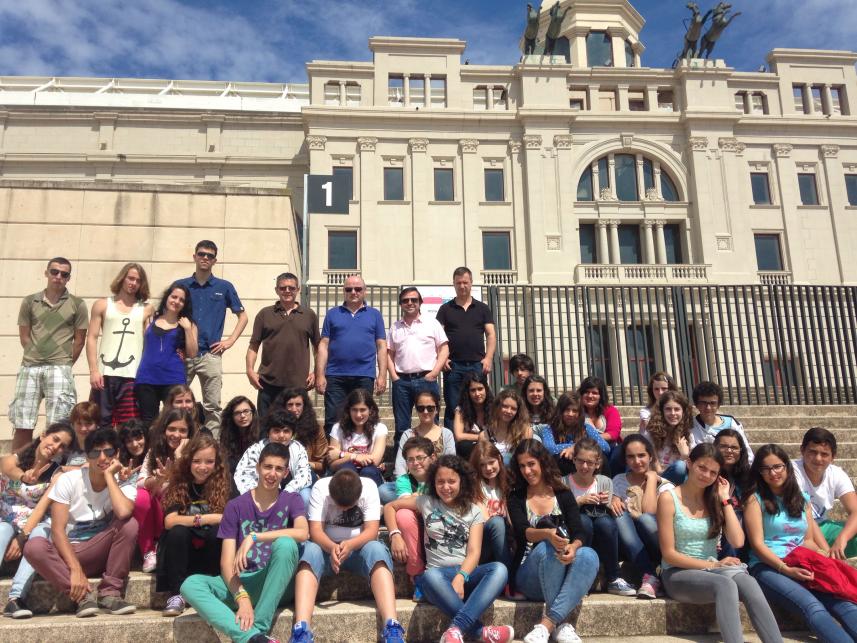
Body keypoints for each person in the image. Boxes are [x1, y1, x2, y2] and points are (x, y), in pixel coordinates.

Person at [181, 442, 307, 643]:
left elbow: (302, 533)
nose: (272, 473)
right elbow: (226, 563)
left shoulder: (292, 500)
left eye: (279, 469)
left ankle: (259, 627)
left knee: (286, 544)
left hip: (272, 583)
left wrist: (255, 536)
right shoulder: (236, 505)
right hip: (241, 583)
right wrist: (242, 598)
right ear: (258, 467)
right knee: (190, 584)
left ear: (286, 473)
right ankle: (253, 638)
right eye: (267, 467)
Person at [657, 443, 781, 643]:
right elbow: (669, 554)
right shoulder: (668, 498)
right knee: (725, 585)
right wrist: (714, 564)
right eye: (702, 468)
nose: (706, 475)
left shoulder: (714, 499)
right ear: (689, 463)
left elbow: (738, 540)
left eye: (713, 472)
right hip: (677, 573)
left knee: (748, 582)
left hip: (712, 568)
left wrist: (725, 500)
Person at [384, 455, 512, 643]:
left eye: (451, 481)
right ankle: (479, 632)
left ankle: (455, 630)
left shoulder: (474, 510)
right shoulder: (426, 501)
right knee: (429, 576)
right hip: (437, 580)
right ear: (433, 483)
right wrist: (395, 535)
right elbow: (390, 506)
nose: (446, 487)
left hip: (466, 574)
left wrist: (461, 577)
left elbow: (474, 552)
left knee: (500, 570)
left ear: (462, 481)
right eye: (440, 482)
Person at [745, 443, 857, 643]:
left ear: (787, 467)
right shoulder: (755, 500)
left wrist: (824, 557)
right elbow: (757, 545)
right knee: (813, 607)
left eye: (777, 466)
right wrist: (786, 569)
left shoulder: (801, 498)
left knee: (842, 602)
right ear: (759, 472)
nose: (773, 473)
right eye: (766, 468)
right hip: (769, 565)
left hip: (802, 560)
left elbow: (807, 540)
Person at [25, 428, 139, 617]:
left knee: (129, 524)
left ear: (117, 454)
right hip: (69, 552)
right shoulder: (69, 480)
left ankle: (109, 593)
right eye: (95, 453)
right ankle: (82, 597)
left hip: (99, 550)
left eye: (108, 452)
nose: (102, 458)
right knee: (34, 547)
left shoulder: (124, 481)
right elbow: (57, 531)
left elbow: (124, 512)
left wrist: (110, 476)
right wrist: (75, 569)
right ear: (87, 456)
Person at [291, 468, 405, 643]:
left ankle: (391, 625)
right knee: (310, 551)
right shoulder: (321, 488)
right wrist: (332, 548)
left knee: (377, 550)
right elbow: (315, 531)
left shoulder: (369, 487)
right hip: (325, 548)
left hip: (359, 548)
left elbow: (372, 531)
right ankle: (301, 629)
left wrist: (350, 545)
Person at [508, 439, 599, 643]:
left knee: (589, 554)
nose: (527, 471)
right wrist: (548, 534)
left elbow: (579, 532)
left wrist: (574, 547)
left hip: (562, 565)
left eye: (531, 464)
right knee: (549, 546)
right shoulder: (516, 496)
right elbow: (524, 532)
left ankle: (547, 625)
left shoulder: (563, 493)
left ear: (542, 462)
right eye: (522, 466)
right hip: (528, 574)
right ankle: (562, 622)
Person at [10, 257, 88, 450]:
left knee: (59, 425)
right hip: (30, 367)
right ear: (46, 273)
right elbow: (24, 337)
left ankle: (51, 472)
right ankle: (17, 472)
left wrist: (65, 363)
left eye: (64, 274)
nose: (58, 277)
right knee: (22, 422)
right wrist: (36, 355)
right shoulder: (30, 301)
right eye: (54, 272)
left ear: (68, 278)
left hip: (59, 368)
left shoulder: (77, 304)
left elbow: (79, 340)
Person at [0, 422, 74, 619]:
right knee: (2, 530)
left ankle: (15, 599)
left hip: (33, 524)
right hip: (6, 520)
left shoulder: (57, 474)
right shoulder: (13, 459)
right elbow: (7, 467)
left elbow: (41, 509)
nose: (56, 447)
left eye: (62, 446)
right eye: (55, 439)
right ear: (43, 435)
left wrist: (22, 538)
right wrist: (24, 476)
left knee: (41, 534)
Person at [178, 240, 248, 432]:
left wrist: (230, 341)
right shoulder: (181, 286)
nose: (205, 258)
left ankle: (212, 448)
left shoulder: (224, 286)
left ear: (215, 260)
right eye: (201, 254)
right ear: (194, 257)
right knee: (175, 405)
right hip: (182, 354)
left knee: (213, 408)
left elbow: (243, 316)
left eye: (209, 256)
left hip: (210, 355)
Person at [157, 434, 230, 617]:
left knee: (217, 532)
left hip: (211, 551)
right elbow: (169, 521)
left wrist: (214, 520)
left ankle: (212, 587)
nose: (203, 467)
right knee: (177, 531)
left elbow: (229, 518)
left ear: (216, 463)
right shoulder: (180, 482)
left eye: (209, 461)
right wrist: (205, 518)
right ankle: (177, 594)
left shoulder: (225, 483)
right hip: (182, 553)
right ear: (189, 461)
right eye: (197, 461)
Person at [315, 275, 387, 436]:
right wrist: (320, 375)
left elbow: (382, 346)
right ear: (343, 291)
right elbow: (323, 345)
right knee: (333, 420)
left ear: (365, 291)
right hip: (335, 376)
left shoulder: (375, 315)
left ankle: (362, 455)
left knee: (363, 419)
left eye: (358, 289)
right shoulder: (332, 314)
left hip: (364, 376)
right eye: (349, 289)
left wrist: (382, 376)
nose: (353, 292)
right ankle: (333, 457)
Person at [86, 262, 154, 427]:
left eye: (138, 281)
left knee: (129, 425)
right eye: (130, 278)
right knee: (100, 422)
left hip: (132, 375)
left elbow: (150, 341)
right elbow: (92, 338)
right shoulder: (102, 305)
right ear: (122, 278)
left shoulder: (146, 309)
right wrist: (94, 370)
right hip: (104, 374)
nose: (133, 283)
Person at [566, 438, 636, 596]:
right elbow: (559, 511)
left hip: (601, 530)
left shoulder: (605, 481)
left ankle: (614, 578)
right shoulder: (565, 482)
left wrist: (609, 503)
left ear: (597, 464)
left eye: (589, 462)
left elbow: (611, 510)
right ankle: (580, 575)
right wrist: (579, 501)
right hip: (577, 532)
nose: (585, 466)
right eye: (581, 461)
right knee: (583, 522)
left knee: (606, 523)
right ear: (574, 460)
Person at [246, 272, 320, 419]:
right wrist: (249, 370)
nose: (287, 291)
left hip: (298, 385)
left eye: (291, 288)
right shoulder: (264, 314)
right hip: (268, 384)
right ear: (276, 290)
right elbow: (254, 346)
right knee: (266, 428)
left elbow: (318, 348)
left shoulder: (309, 315)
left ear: (298, 290)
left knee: (298, 430)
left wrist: (316, 372)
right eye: (283, 288)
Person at [136, 408, 197, 573]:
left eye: (182, 430)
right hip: (158, 507)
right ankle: (149, 551)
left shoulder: (195, 453)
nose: (176, 434)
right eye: (172, 429)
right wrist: (159, 479)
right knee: (141, 497)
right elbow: (140, 482)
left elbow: (192, 485)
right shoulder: (155, 451)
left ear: (189, 433)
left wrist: (179, 457)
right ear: (164, 430)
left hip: (182, 509)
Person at [611, 434, 672, 599]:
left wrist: (651, 480)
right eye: (631, 457)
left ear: (650, 456)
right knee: (619, 515)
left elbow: (649, 512)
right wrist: (613, 500)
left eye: (641, 455)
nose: (637, 461)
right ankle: (650, 576)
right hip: (632, 542)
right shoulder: (619, 480)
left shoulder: (665, 485)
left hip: (658, 542)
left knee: (645, 519)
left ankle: (654, 574)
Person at [387, 286, 449, 446]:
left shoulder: (432, 323)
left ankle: (433, 464)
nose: (410, 303)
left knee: (431, 425)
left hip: (426, 380)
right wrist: (394, 377)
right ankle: (400, 466)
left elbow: (444, 349)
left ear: (420, 302)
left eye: (414, 300)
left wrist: (434, 373)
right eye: (405, 300)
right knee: (401, 427)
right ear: (401, 304)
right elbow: (389, 354)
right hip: (402, 383)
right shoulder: (395, 327)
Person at [436, 267, 496, 428]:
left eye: (465, 282)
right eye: (458, 283)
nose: (462, 286)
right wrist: (443, 358)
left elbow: (491, 334)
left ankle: (480, 441)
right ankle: (452, 447)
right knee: (453, 407)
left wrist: (488, 358)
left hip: (477, 365)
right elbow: (437, 337)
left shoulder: (482, 308)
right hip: (453, 366)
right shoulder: (445, 309)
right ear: (454, 285)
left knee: (479, 405)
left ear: (471, 283)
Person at [134, 282, 198, 425]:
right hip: (147, 378)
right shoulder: (150, 318)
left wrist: (187, 329)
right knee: (148, 422)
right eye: (174, 297)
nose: (176, 301)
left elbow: (193, 353)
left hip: (173, 379)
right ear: (167, 297)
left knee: (175, 420)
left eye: (181, 300)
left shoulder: (189, 324)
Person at [381, 389, 455, 503]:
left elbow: (450, 464)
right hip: (412, 483)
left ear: (436, 410)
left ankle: (415, 501)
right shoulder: (408, 434)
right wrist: (404, 492)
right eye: (421, 408)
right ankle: (417, 501)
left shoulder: (446, 434)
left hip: (437, 483)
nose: (425, 412)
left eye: (430, 408)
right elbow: (400, 465)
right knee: (383, 490)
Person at [793, 426, 857, 559]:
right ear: (802, 450)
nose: (818, 458)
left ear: (833, 457)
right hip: (798, 529)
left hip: (824, 527)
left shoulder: (836, 473)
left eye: (824, 454)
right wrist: (826, 550)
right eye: (812, 452)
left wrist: (842, 539)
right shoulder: (792, 471)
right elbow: (806, 518)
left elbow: (855, 510)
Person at [390, 436, 436, 600]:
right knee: (403, 514)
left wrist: (417, 497)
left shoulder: (440, 475)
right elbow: (403, 504)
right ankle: (418, 576)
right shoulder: (404, 480)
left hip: (440, 522)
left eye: (420, 458)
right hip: (416, 523)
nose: (415, 463)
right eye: (410, 460)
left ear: (432, 458)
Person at [234, 410, 312, 506]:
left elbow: (302, 476)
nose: (281, 436)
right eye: (276, 431)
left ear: (292, 434)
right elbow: (245, 476)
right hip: (261, 494)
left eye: (286, 431)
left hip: (291, 492)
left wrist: (284, 494)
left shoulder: (298, 449)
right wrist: (268, 495)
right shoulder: (256, 449)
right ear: (268, 432)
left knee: (306, 496)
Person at [327, 389, 388, 486]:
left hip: (370, 474)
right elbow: (332, 465)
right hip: (346, 477)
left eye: (363, 410)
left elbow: (375, 461)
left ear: (370, 410)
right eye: (354, 410)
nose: (358, 415)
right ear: (349, 410)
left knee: (368, 471)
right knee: (347, 469)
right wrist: (355, 456)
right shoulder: (338, 428)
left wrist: (341, 454)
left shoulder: (380, 428)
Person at [540, 391, 609, 475]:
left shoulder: (586, 428)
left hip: (585, 468)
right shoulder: (549, 429)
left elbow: (606, 447)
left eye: (574, 411)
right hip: (562, 471)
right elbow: (549, 449)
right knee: (560, 457)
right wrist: (571, 447)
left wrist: (576, 447)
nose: (570, 414)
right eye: (567, 410)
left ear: (579, 413)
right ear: (560, 411)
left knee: (602, 458)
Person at [470, 441, 513, 570]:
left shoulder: (508, 482)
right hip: (484, 542)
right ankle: (507, 577)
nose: (488, 468)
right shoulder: (475, 485)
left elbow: (512, 519)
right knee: (497, 522)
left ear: (499, 459)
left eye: (491, 462)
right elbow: (484, 519)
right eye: (482, 465)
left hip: (507, 540)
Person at [273, 388, 329, 478]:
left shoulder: (316, 429)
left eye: (298, 405)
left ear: (304, 406)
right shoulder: (274, 428)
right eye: (290, 405)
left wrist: (301, 464)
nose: (294, 409)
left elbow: (322, 464)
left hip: (306, 473)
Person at [690, 381, 752, 460]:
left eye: (713, 403)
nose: (708, 407)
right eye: (703, 403)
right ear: (696, 404)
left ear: (718, 405)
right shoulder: (692, 425)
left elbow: (746, 451)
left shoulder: (731, 423)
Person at [714, 428, 752, 560]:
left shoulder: (748, 477)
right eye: (723, 446)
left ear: (741, 451)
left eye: (734, 447)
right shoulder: (709, 474)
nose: (729, 451)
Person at [641, 391, 693, 484]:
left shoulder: (688, 435)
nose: (673, 413)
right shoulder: (651, 433)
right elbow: (658, 470)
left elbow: (692, 469)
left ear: (683, 412)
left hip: (682, 481)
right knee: (680, 466)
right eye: (668, 409)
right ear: (662, 411)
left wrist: (685, 457)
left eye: (677, 409)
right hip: (658, 479)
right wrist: (683, 457)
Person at [480, 388, 535, 465]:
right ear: (497, 407)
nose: (509, 411)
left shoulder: (525, 432)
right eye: (505, 406)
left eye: (513, 408)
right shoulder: (484, 435)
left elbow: (528, 458)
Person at [578, 376, 622, 464]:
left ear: (601, 396)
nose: (590, 396)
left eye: (594, 393)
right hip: (584, 448)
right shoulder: (576, 411)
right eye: (586, 392)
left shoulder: (610, 410)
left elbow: (613, 434)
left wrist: (592, 438)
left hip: (610, 448)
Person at [452, 373, 493, 459]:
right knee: (463, 446)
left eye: (480, 389)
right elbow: (458, 436)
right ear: (468, 392)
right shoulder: (461, 410)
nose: (477, 394)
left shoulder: (495, 407)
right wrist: (480, 437)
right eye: (473, 390)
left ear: (486, 389)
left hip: (492, 446)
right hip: (471, 449)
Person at [220, 396, 260, 477]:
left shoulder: (262, 433)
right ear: (231, 417)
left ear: (252, 413)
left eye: (246, 411)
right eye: (237, 413)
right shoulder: (227, 434)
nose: (242, 416)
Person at [65, 401, 100, 467]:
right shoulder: (66, 445)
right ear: (72, 425)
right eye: (79, 423)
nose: (83, 429)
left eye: (88, 424)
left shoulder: (104, 447)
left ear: (97, 425)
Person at [116, 419, 149, 487]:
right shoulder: (119, 464)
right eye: (129, 441)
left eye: (138, 438)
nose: (134, 444)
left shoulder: (154, 460)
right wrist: (120, 479)